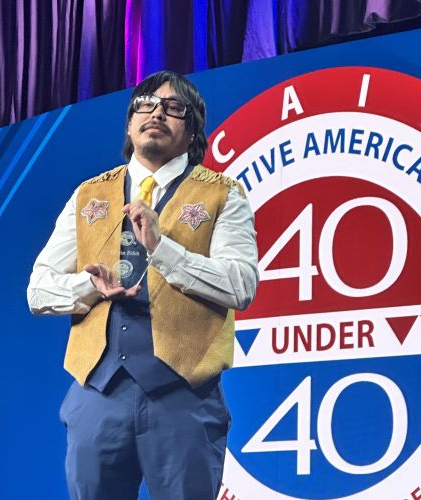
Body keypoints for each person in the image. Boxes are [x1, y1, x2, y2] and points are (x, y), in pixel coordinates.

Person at [27, 70, 259, 500]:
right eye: (146, 105)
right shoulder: (88, 195)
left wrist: (164, 249)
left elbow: (241, 285)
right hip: (97, 392)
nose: (157, 114)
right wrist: (90, 286)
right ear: (130, 122)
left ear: (192, 130)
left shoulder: (224, 194)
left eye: (174, 108)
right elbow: (38, 291)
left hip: (184, 396)